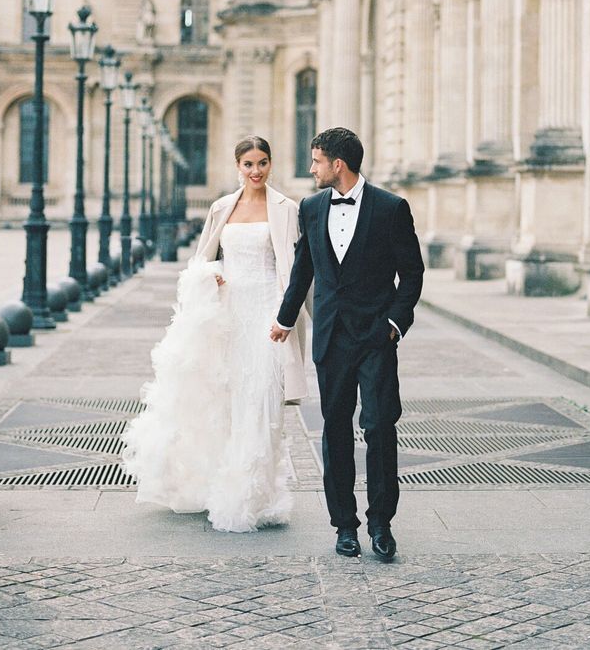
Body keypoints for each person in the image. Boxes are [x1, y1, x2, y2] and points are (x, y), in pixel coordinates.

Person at [123, 135, 307, 533]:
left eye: (262, 162)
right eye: (248, 164)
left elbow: (297, 269)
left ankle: (257, 496)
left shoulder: (288, 208)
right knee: (228, 402)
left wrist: (287, 315)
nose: (256, 171)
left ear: (271, 164)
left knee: (261, 401)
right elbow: (202, 261)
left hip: (268, 314)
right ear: (237, 167)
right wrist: (213, 277)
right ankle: (222, 486)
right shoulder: (221, 207)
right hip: (227, 315)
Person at [271, 127, 424, 561]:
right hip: (332, 337)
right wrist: (284, 318)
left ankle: (381, 524)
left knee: (378, 426)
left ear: (337, 164)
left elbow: (412, 273)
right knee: (334, 428)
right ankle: (345, 525)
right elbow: (304, 270)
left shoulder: (391, 208)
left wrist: (395, 322)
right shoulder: (312, 207)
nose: (311, 168)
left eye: (316, 160)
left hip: (377, 336)